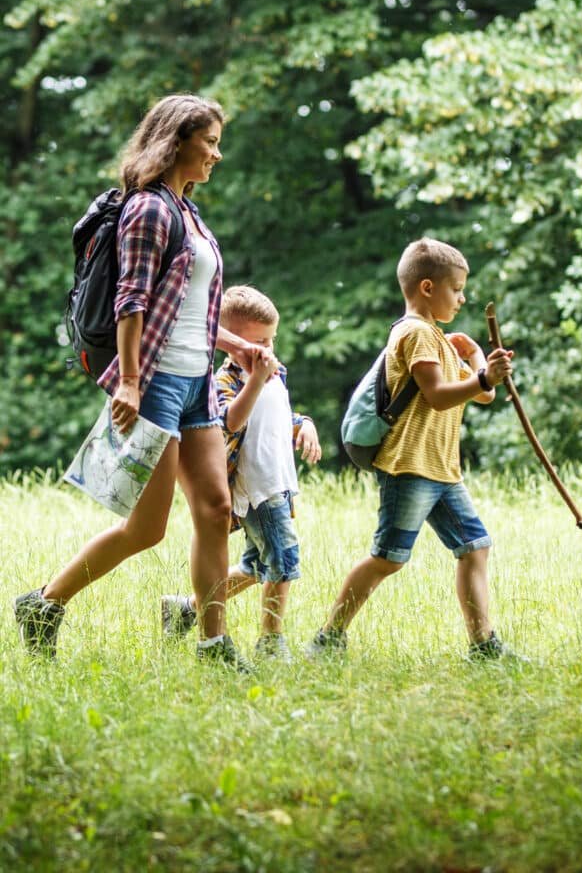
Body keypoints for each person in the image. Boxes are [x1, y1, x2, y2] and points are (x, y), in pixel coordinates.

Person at [15, 93, 260, 670]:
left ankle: (213, 642)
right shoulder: (149, 209)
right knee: (147, 529)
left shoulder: (189, 211)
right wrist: (127, 380)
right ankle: (43, 604)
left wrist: (238, 344)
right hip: (153, 381)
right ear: (177, 140)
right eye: (210, 142)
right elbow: (132, 299)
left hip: (195, 380)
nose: (217, 154)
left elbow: (191, 305)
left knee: (214, 505)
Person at [307, 236, 516, 661]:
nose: (462, 298)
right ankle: (328, 638)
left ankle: (484, 646)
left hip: (441, 470)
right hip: (409, 468)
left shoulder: (438, 338)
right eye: (456, 289)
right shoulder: (416, 333)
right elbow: (439, 394)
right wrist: (484, 377)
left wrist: (477, 358)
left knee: (475, 547)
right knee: (388, 558)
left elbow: (483, 396)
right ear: (427, 288)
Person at [161, 285, 322, 662]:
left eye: (271, 340)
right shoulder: (225, 380)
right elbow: (230, 422)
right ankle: (271, 641)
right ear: (233, 344)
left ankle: (185, 608)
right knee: (283, 558)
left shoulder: (276, 372)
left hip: (279, 480)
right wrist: (255, 378)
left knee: (256, 565)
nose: (268, 350)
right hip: (254, 486)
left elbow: (277, 418)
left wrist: (304, 423)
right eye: (258, 342)